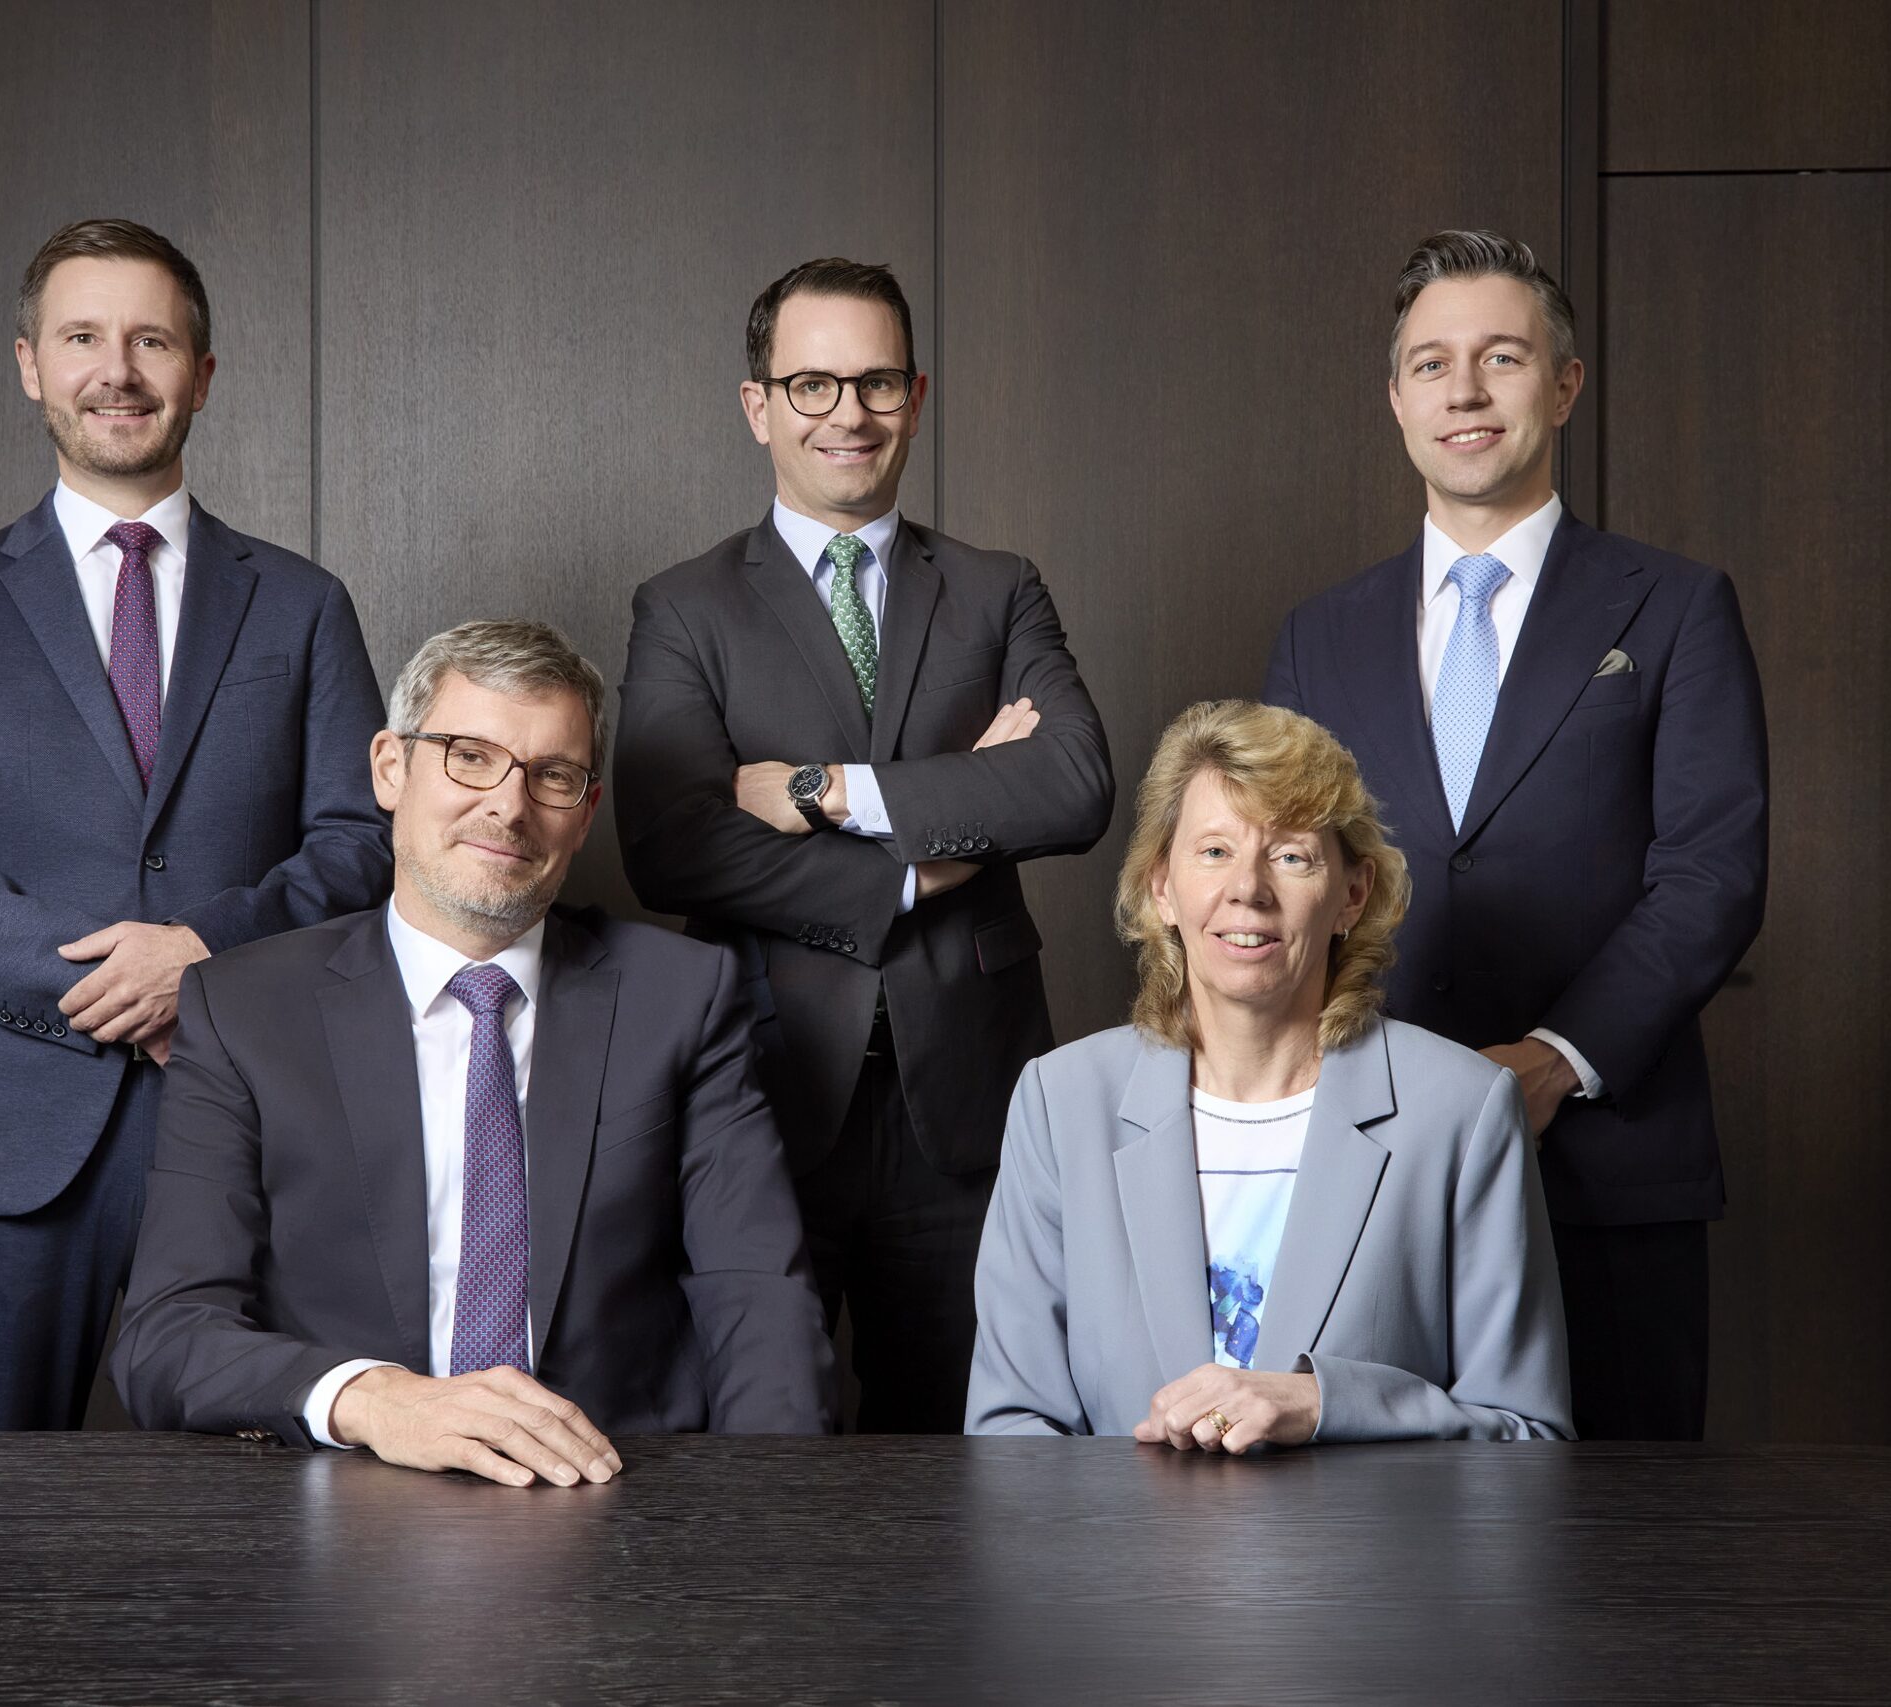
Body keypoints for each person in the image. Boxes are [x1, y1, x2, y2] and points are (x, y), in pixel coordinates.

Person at [0, 217, 391, 1430]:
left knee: (256, 1519)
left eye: (152, 341)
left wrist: (200, 955)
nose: (117, 370)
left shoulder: (300, 604)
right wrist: (109, 978)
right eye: (82, 337)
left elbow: (361, 844)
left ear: (202, 373)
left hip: (248, 1133)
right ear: (30, 364)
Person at [115, 621, 834, 1482]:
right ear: (391, 767)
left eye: (552, 775)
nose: (508, 806)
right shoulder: (244, 1008)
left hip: (619, 1490)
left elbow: (759, 1299)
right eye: (470, 756)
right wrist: (375, 1400)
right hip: (351, 1488)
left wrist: (767, 1523)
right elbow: (168, 1334)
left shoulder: (682, 997)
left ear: (586, 813)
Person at [1261, 229, 1768, 1440]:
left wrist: (1551, 1060)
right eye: (1430, 364)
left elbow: (1711, 873)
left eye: (1501, 357)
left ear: (1565, 384)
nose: (1465, 391)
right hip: (1366, 1164)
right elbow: (1283, 880)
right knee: (1362, 1530)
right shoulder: (1318, 635)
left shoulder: (1675, 606)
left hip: (1605, 1159)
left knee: (1621, 1531)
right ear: (1396, 399)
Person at [615, 257, 1114, 1433]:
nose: (848, 412)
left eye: (877, 382)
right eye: (812, 384)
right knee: (762, 1445)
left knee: (971, 1454)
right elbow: (673, 845)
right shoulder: (683, 607)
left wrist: (825, 790)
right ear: (759, 405)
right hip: (760, 1092)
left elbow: (1072, 786)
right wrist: (923, 862)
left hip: (969, 1103)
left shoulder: (997, 590)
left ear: (916, 397)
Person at [966, 700, 1572, 1445]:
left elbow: (1527, 1438)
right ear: (1161, 887)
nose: (1247, 888)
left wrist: (1325, 1404)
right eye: (1214, 851)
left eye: (1291, 856)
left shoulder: (1463, 1110)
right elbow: (1009, 1430)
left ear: (1352, 895)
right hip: (1112, 1528)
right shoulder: (1060, 1105)